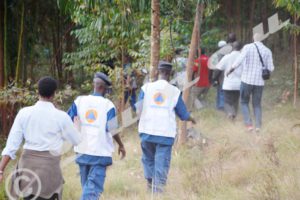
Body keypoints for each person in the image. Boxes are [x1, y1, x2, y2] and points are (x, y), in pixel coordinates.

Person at [0, 77, 81, 200]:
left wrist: (1, 170)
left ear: (38, 92)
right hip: (49, 171)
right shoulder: (61, 117)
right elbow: (76, 141)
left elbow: (11, 145)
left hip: (27, 168)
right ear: (54, 93)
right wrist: (76, 128)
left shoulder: (24, 113)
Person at [135, 61, 196, 193]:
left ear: (157, 72)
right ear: (170, 74)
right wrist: (192, 118)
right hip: (165, 134)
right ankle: (157, 192)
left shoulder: (146, 88)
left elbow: (138, 110)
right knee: (161, 162)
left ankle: (150, 183)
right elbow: (183, 115)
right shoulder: (174, 91)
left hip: (147, 131)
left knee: (148, 159)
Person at [68, 72, 126, 200]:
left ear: (94, 85)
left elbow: (67, 121)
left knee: (87, 187)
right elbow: (112, 129)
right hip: (99, 152)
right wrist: (121, 145)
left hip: (81, 150)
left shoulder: (79, 101)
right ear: (103, 88)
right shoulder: (108, 105)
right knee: (92, 190)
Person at [228, 33, 274, 132]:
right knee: (257, 104)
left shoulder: (247, 47)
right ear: (261, 39)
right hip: (259, 82)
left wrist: (231, 69)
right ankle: (258, 126)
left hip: (246, 80)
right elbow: (271, 68)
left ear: (253, 38)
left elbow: (239, 60)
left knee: (244, 102)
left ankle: (249, 125)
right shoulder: (267, 50)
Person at [216, 41, 243, 120]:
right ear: (241, 48)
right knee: (235, 101)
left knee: (227, 101)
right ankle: (233, 116)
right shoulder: (243, 57)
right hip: (239, 84)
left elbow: (218, 68)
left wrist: (214, 78)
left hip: (228, 84)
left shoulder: (227, 57)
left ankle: (230, 113)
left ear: (232, 48)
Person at [213, 33, 237, 111]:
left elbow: (218, 65)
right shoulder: (235, 48)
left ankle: (221, 106)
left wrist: (215, 77)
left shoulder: (221, 52)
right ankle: (232, 107)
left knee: (221, 90)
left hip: (223, 73)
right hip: (235, 73)